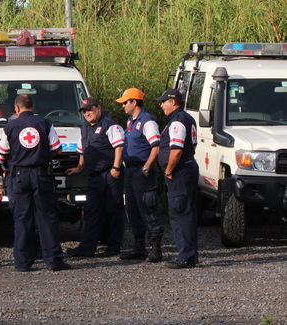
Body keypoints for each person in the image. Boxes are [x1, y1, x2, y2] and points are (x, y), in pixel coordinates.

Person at [0, 94, 70, 272]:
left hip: (18, 176)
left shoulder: (9, 127)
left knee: (22, 219)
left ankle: (23, 262)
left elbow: (0, 155)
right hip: (41, 175)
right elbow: (57, 148)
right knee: (47, 217)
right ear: (32, 107)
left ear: (16, 108)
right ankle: (54, 260)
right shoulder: (45, 123)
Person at [66, 97, 125, 258]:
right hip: (93, 176)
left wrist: (116, 167)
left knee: (113, 211)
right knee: (91, 212)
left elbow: (119, 147)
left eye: (90, 110)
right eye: (84, 111)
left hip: (109, 174)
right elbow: (82, 150)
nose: (87, 113)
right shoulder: (84, 128)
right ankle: (87, 247)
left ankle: (114, 246)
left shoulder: (110, 126)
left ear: (99, 108)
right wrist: (79, 167)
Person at [116, 88, 164, 262]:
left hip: (142, 172)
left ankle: (155, 249)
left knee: (148, 208)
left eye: (124, 103)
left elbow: (156, 147)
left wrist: (147, 167)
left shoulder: (147, 122)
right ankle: (139, 247)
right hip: (130, 170)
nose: (122, 106)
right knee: (133, 209)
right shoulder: (130, 121)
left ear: (134, 102)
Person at [156, 89, 199, 269]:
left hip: (179, 172)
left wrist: (168, 170)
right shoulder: (185, 118)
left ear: (173, 102)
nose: (161, 105)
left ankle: (186, 257)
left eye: (164, 101)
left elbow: (176, 150)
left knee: (180, 213)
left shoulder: (177, 122)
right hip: (186, 168)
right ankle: (188, 254)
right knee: (185, 211)